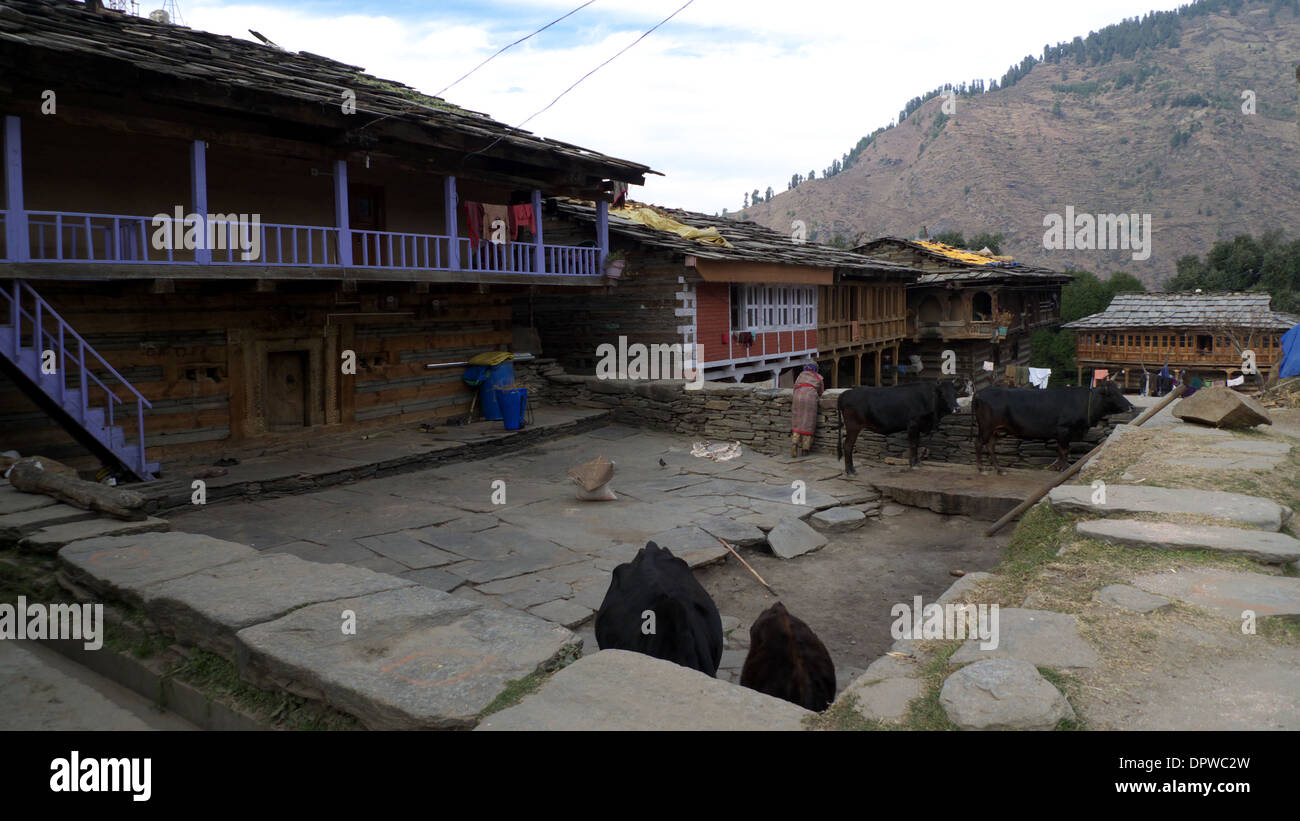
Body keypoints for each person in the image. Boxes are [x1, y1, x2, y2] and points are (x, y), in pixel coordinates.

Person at [790, 363, 824, 457]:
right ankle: (805, 449)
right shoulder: (818, 377)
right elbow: (821, 391)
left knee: (797, 421)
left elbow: (794, 387)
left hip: (798, 397)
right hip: (810, 398)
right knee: (808, 422)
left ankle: (794, 443)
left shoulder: (800, 375)